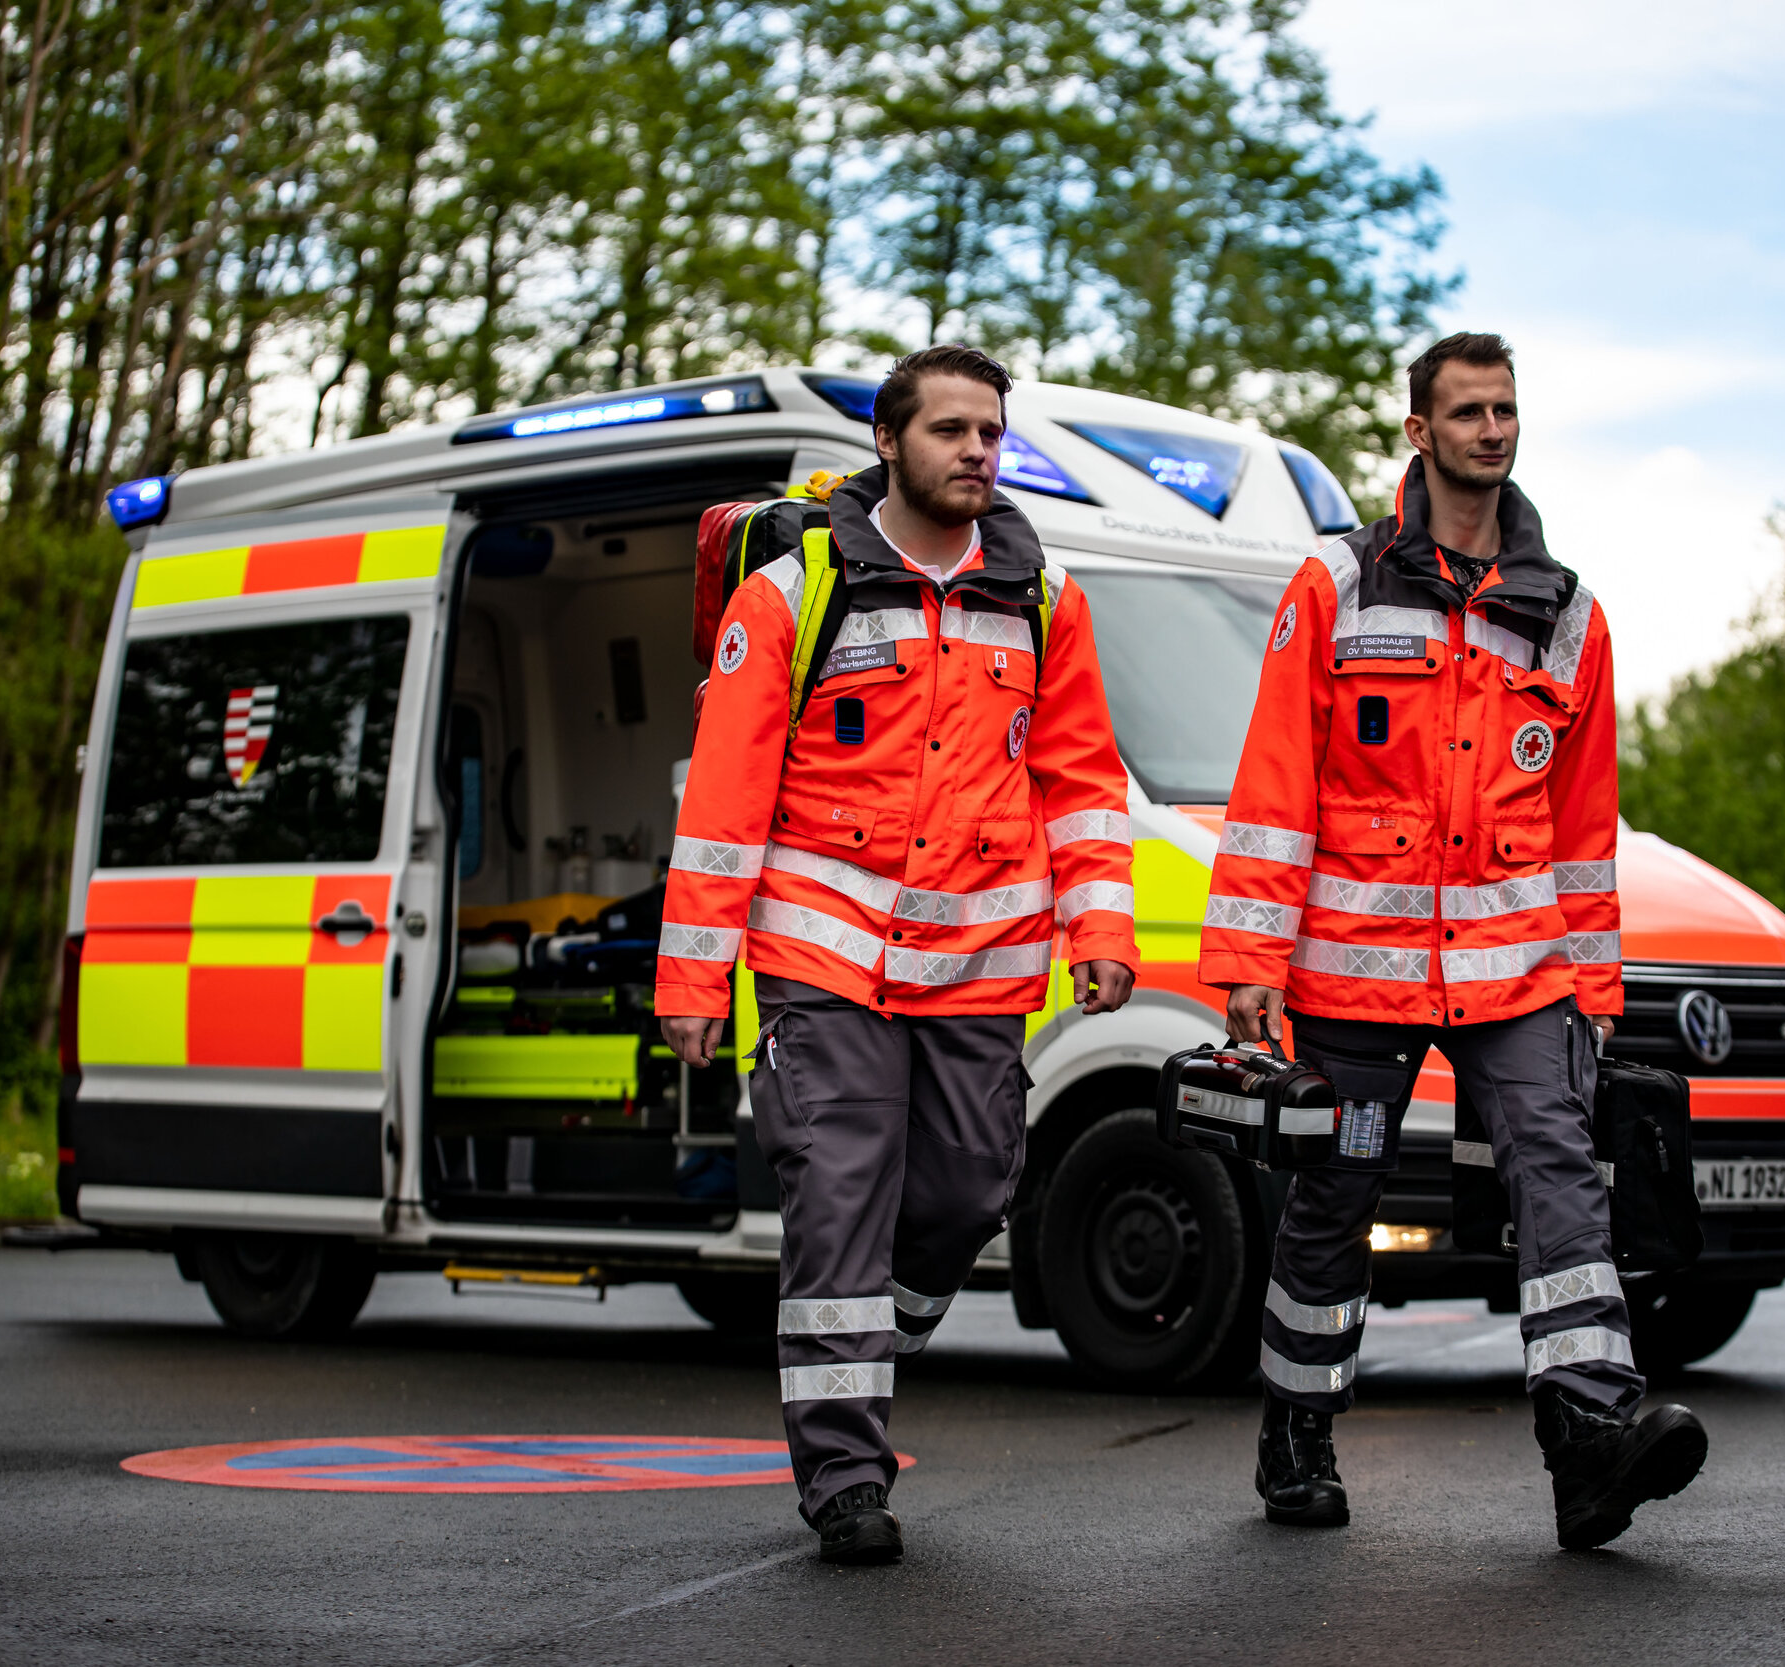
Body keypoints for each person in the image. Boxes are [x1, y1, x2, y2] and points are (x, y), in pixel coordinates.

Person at [1197, 331, 1707, 1551]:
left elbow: (1585, 827)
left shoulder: (1567, 614)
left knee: (1561, 1175)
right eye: (1468, 411)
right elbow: (1274, 785)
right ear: (1419, 432)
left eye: (1507, 410)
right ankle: (1297, 1425)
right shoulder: (1337, 585)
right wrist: (1249, 968)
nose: (1494, 428)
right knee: (1337, 1196)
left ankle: (1590, 1438)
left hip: (1522, 973)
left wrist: (1593, 983)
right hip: (1354, 973)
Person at [656, 344, 1139, 1564]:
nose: (977, 451)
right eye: (951, 431)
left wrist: (1102, 925)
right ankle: (844, 1476)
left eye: (990, 431)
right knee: (840, 1200)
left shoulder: (1042, 598)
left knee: (974, 1190)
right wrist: (694, 979)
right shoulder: (796, 593)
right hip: (826, 971)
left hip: (979, 967)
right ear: (889, 443)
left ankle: (872, 1345)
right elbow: (724, 800)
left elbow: (1081, 784)